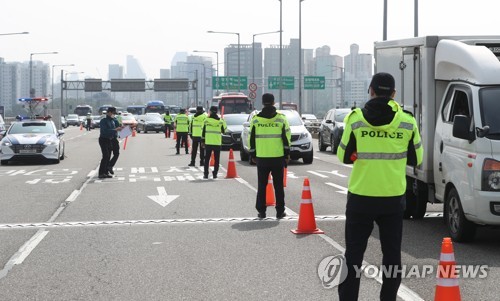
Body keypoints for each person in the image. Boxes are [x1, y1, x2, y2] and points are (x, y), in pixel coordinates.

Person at [336, 72, 423, 301]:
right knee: (392, 257)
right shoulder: (407, 121)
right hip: (392, 199)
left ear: (371, 91)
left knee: (353, 256)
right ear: (393, 94)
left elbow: (343, 156)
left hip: (360, 198)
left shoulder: (355, 119)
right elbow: (417, 159)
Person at [249, 93, 291, 219]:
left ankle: (261, 212)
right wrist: (287, 154)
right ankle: (280, 211)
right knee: (278, 186)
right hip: (277, 157)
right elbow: (287, 138)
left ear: (262, 102)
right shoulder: (281, 118)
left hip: (261, 157)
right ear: (274, 102)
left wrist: (253, 154)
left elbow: (251, 139)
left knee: (262, 185)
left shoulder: (256, 119)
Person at [201, 106, 227, 179]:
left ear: (210, 111)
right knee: (217, 159)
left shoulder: (206, 120)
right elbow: (224, 131)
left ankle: (206, 174)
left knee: (207, 159)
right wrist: (223, 121)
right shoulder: (221, 121)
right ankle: (215, 174)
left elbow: (203, 132)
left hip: (208, 143)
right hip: (217, 143)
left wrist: (202, 141)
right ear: (217, 111)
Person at [98, 107, 123, 179]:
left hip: (112, 139)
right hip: (104, 139)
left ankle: (107, 170)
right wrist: (115, 130)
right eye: (113, 113)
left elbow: (118, 128)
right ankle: (101, 173)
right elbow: (105, 131)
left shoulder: (114, 120)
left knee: (113, 154)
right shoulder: (104, 121)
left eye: (114, 113)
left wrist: (124, 129)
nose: (114, 115)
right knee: (106, 155)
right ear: (109, 112)